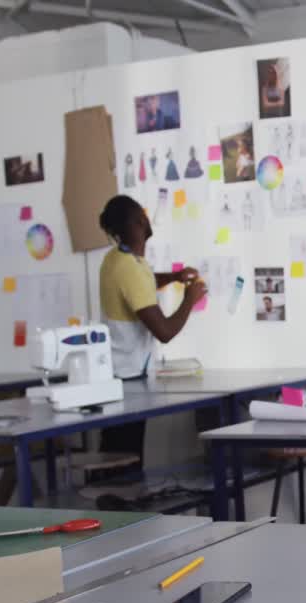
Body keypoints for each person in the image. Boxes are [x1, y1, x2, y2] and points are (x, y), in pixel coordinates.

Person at [96, 195, 206, 466]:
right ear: (137, 224)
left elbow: (144, 282)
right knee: (124, 458)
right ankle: (119, 494)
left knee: (118, 454)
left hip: (119, 374)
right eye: (141, 216)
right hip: (128, 378)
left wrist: (174, 277)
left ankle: (114, 492)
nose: (146, 219)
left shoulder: (118, 259)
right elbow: (164, 331)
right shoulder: (128, 268)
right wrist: (190, 299)